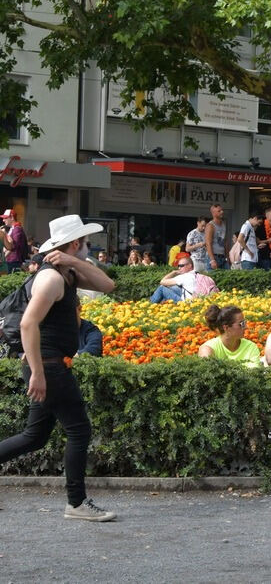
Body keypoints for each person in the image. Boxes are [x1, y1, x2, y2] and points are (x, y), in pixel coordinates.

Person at [0, 214, 117, 521]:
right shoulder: (52, 278)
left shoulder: (68, 273)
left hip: (47, 365)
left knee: (34, 437)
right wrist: (37, 373)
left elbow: (108, 284)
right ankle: (76, 503)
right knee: (79, 430)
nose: (89, 248)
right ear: (75, 243)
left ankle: (76, 503)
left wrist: (75, 261)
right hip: (48, 367)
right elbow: (28, 324)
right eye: (86, 243)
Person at [197, 304, 262, 365]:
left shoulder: (251, 347)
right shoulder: (208, 349)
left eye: (244, 323)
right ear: (226, 327)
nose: (245, 327)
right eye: (241, 324)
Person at [204, 203, 229, 270]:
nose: (222, 212)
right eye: (219, 211)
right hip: (213, 256)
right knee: (212, 279)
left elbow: (225, 241)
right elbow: (208, 243)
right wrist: (212, 260)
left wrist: (227, 257)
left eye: (222, 210)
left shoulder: (224, 224)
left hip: (223, 257)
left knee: (227, 278)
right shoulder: (210, 225)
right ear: (213, 213)